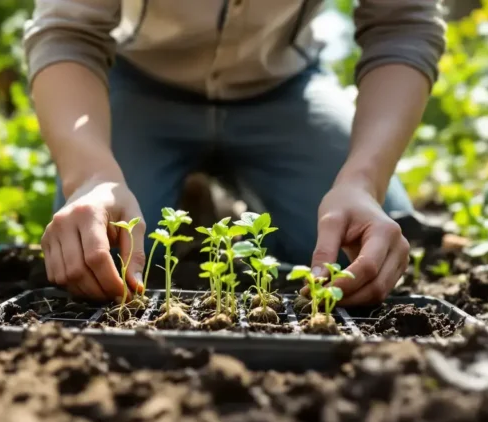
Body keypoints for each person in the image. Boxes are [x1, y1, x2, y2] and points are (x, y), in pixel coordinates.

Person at [23, 0, 446, 305]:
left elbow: (402, 25)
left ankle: (214, 204)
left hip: (283, 90)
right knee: (102, 256)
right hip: (140, 84)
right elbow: (69, 31)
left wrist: (362, 182)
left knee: (357, 256)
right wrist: (92, 178)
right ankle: (196, 196)